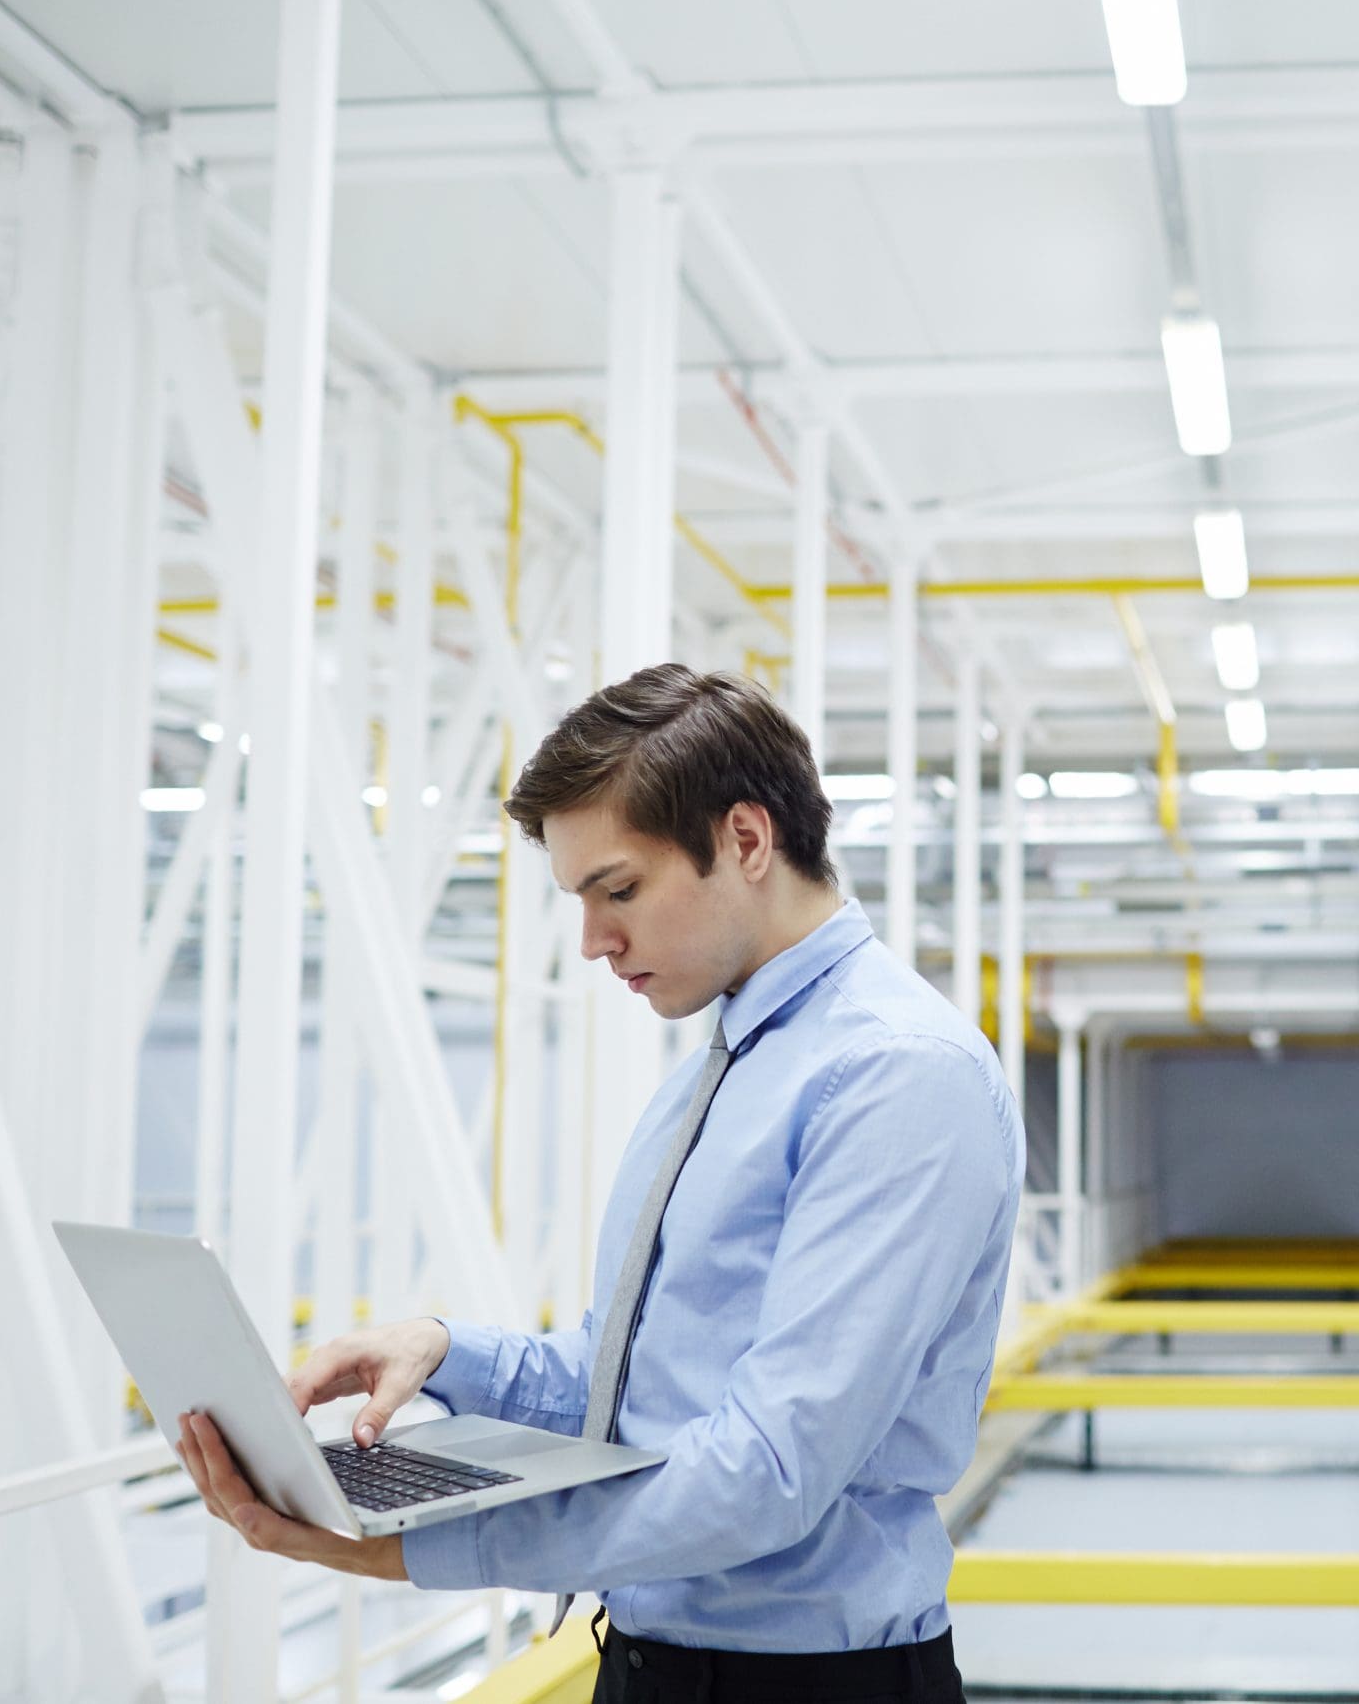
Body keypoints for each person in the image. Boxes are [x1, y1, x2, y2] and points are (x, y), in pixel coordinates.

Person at [174, 664, 1022, 1704]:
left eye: (617, 890)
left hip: (811, 1685)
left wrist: (408, 1553)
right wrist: (446, 1351)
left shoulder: (896, 1076)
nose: (592, 942)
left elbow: (769, 1472)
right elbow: (640, 1386)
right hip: (647, 1659)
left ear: (746, 841)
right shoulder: (723, 1067)